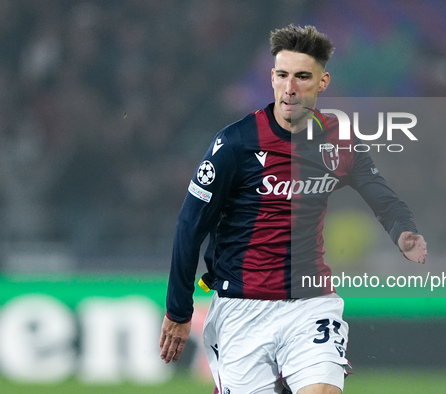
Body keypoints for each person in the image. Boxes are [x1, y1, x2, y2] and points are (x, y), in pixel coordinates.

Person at [159, 24, 428, 394]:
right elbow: (191, 225)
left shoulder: (338, 139)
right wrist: (178, 310)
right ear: (271, 78)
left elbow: (383, 198)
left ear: (322, 82)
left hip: (310, 304)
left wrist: (403, 230)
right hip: (241, 308)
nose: (290, 87)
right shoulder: (236, 143)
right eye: (282, 75)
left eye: (302, 77)